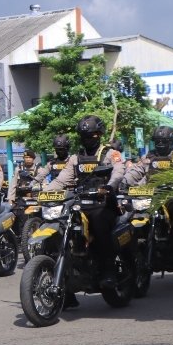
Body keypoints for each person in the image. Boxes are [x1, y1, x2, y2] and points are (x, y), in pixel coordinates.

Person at [45, 115, 126, 305]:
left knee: (99, 223)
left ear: (99, 134)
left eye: (91, 135)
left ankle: (108, 270)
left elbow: (119, 171)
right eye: (84, 135)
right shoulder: (75, 157)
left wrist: (111, 185)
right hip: (81, 205)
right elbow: (61, 180)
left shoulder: (109, 153)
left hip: (104, 204)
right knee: (61, 226)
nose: (88, 139)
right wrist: (43, 192)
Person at [122, 126, 173, 266]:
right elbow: (136, 171)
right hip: (151, 195)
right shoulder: (148, 156)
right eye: (157, 142)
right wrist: (124, 181)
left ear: (171, 141)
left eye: (164, 141)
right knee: (130, 214)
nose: (160, 145)